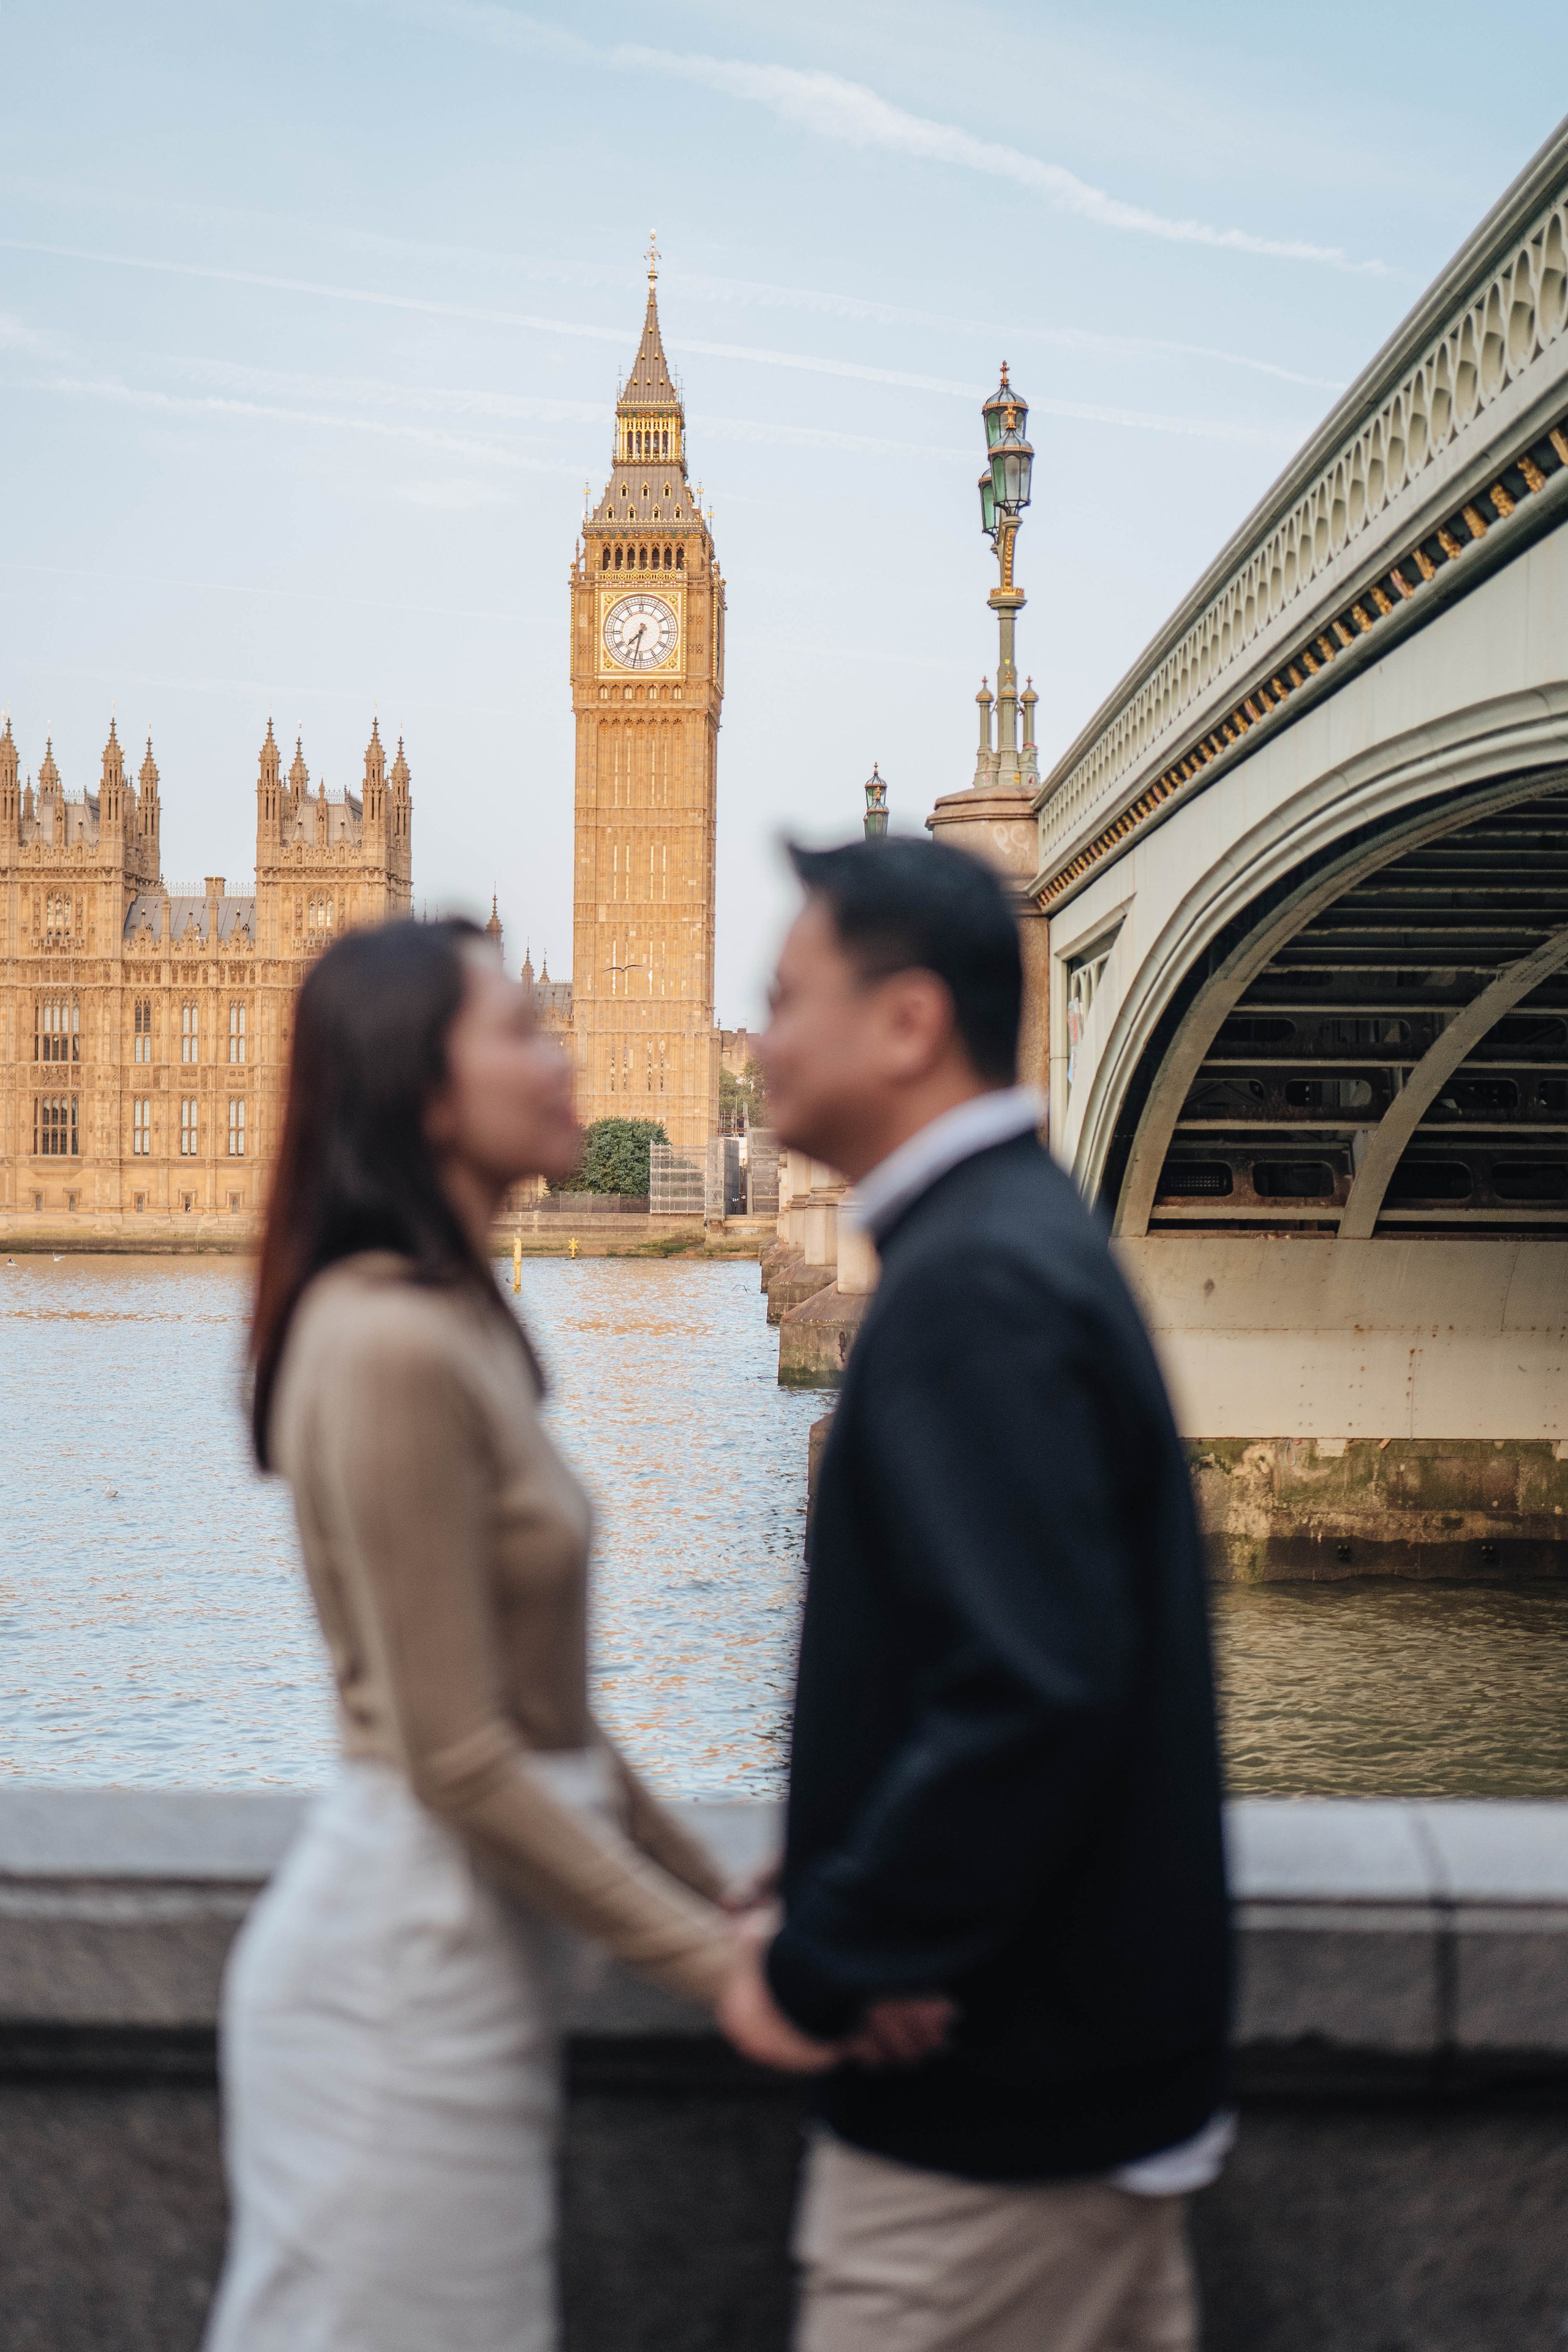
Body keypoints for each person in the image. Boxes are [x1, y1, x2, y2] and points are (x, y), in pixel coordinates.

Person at [718, 839, 1231, 2352]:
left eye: (786, 997)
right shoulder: (1013, 1239)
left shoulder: (971, 1288)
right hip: (1072, 2093)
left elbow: (1028, 1686)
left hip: (987, 2135)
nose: (758, 1042)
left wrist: (829, 1962)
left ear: (906, 1024)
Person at [205, 918, 741, 2352]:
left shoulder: (454, 1325)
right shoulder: (384, 1341)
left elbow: (547, 1711)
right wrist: (719, 1972)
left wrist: (724, 1891)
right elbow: (456, 1751)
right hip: (398, 1982)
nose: (565, 1051)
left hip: (467, 1969)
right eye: (521, 1027)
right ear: (423, 1091)